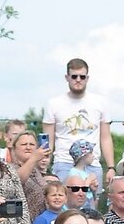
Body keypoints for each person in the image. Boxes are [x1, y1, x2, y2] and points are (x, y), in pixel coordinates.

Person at [43, 58, 115, 187]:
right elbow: (48, 141)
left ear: (87, 78)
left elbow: (105, 138)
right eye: (74, 76)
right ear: (67, 77)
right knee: (64, 203)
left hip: (92, 163)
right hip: (63, 162)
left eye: (82, 77)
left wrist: (111, 167)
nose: (78, 80)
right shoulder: (53, 103)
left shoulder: (100, 102)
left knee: (91, 204)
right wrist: (44, 166)